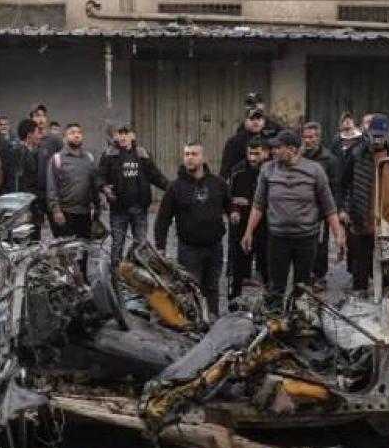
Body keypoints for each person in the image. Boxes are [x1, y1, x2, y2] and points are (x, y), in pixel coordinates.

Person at [241, 130, 344, 305]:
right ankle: (274, 318)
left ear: (292, 149)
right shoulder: (268, 170)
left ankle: (297, 316)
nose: (273, 151)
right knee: (276, 287)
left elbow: (329, 206)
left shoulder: (314, 170)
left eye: (278, 148)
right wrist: (248, 232)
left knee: (301, 287)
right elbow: (258, 205)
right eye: (273, 148)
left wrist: (338, 234)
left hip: (306, 238)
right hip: (278, 237)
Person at [154, 143, 230, 316]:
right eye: (186, 154)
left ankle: (213, 319)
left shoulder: (218, 184)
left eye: (194, 154)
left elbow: (229, 205)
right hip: (188, 249)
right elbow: (163, 219)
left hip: (214, 247)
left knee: (212, 287)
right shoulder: (175, 187)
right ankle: (195, 324)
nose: (189, 158)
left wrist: (234, 213)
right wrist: (160, 247)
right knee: (191, 289)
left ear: (203, 158)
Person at [340, 114, 389, 291]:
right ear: (368, 133)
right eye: (375, 135)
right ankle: (359, 298)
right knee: (360, 268)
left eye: (381, 136)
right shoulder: (356, 154)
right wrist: (344, 209)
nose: (377, 140)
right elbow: (344, 184)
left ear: (388, 134)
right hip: (362, 221)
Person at [98, 124, 169, 259]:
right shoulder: (109, 155)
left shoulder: (142, 154)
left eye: (126, 133)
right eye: (120, 133)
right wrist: (104, 187)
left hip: (139, 209)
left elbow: (155, 176)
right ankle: (116, 271)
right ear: (116, 137)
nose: (123, 136)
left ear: (133, 136)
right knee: (117, 244)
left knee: (140, 245)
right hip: (118, 209)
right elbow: (100, 176)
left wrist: (171, 188)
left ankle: (133, 269)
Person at [226, 138, 269, 301]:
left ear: (265, 153)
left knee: (267, 264)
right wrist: (234, 211)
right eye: (250, 153)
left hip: (266, 224)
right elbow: (231, 197)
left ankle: (270, 301)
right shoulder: (237, 170)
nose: (253, 158)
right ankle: (234, 300)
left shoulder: (272, 170)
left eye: (257, 154)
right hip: (242, 223)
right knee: (238, 264)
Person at [300, 122, 341, 290]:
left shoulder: (329, 160)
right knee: (304, 243)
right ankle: (305, 274)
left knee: (320, 245)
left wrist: (332, 211)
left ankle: (319, 276)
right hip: (301, 209)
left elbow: (335, 187)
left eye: (311, 137)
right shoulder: (299, 158)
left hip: (321, 211)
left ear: (318, 138)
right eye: (305, 137)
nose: (308, 140)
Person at [46, 123, 100, 239]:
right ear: (64, 138)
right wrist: (56, 210)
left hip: (85, 214)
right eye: (72, 133)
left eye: (79, 133)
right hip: (65, 214)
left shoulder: (89, 158)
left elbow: (94, 184)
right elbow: (52, 188)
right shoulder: (57, 159)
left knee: (84, 247)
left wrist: (97, 206)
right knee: (66, 248)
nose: (76, 135)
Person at [220, 106, 281, 179]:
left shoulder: (273, 137)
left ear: (264, 121)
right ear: (245, 121)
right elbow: (225, 168)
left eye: (258, 118)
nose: (255, 122)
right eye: (252, 119)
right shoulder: (235, 142)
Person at [32, 104, 64, 192]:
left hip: (50, 191)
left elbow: (64, 164)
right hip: (31, 191)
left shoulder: (55, 140)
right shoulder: (28, 140)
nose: (41, 119)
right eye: (37, 116)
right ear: (31, 119)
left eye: (43, 116)